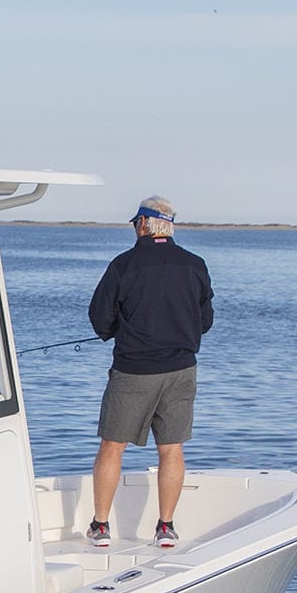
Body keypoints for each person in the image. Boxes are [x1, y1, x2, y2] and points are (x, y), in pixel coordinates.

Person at [86, 196, 213, 550]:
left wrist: (117, 331)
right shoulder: (195, 265)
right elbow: (205, 321)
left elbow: (100, 319)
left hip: (133, 370)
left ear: (143, 224)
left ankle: (100, 526)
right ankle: (166, 527)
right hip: (181, 370)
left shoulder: (124, 265)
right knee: (171, 449)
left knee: (112, 446)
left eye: (134, 223)